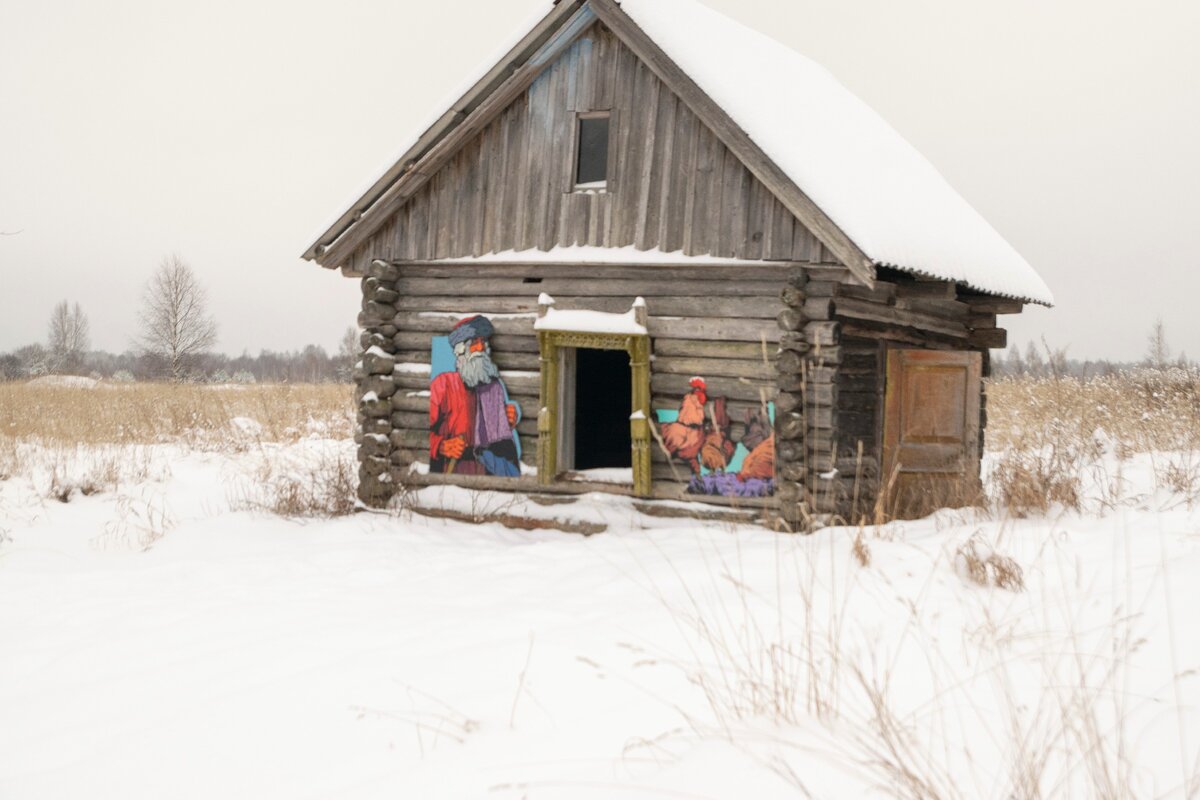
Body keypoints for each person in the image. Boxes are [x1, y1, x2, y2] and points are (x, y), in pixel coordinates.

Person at [428, 315, 520, 476]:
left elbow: (498, 435)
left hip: (490, 475)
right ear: (461, 350)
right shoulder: (443, 384)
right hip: (454, 477)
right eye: (474, 343)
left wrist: (506, 420)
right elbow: (421, 429)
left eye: (483, 342)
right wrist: (441, 445)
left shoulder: (494, 388)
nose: (480, 348)